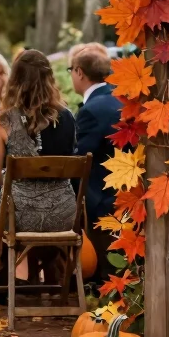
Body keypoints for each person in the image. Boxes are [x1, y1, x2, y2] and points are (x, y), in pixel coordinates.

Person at [0, 49, 77, 234]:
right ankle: (50, 262)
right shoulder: (68, 117)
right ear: (49, 79)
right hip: (64, 213)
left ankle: (21, 262)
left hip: (19, 213)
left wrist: (16, 178)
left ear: (15, 80)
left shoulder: (4, 120)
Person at [70, 45, 122, 277]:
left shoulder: (92, 110)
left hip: (100, 200)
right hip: (127, 193)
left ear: (80, 72)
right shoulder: (119, 99)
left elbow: (81, 159)